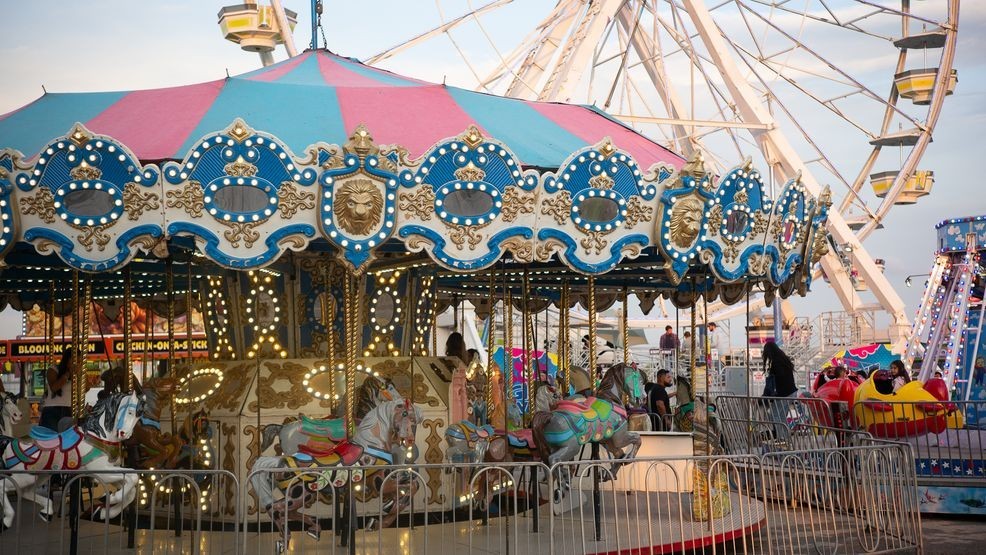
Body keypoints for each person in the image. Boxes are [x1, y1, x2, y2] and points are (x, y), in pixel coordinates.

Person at [41, 348, 74, 431]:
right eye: (74, 360)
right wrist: (68, 374)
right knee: (51, 439)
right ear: (67, 359)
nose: (77, 363)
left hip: (68, 410)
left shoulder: (76, 374)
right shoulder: (53, 369)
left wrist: (79, 375)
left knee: (68, 440)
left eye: (79, 361)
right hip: (53, 410)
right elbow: (54, 388)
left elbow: (86, 388)